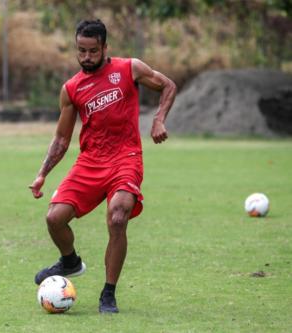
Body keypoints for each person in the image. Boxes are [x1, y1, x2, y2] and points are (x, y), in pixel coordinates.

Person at [29, 19, 176, 313]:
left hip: (126, 156)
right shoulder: (71, 89)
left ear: (105, 48)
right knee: (54, 218)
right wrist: (43, 173)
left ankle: (108, 293)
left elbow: (167, 85)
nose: (86, 57)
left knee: (118, 216)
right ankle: (70, 261)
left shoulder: (129, 69)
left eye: (92, 51)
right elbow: (61, 138)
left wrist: (159, 119)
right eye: (81, 51)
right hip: (91, 160)